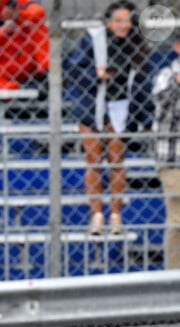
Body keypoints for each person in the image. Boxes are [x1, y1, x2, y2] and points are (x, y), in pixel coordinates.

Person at [63, 2, 153, 235]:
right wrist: (97, 75)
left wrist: (145, 118)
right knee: (93, 160)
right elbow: (73, 68)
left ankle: (115, 214)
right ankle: (96, 214)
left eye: (127, 21)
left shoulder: (138, 44)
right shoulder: (93, 39)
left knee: (116, 160)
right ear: (108, 21)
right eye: (118, 20)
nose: (122, 25)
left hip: (121, 107)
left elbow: (143, 83)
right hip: (92, 105)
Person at [0, 0, 49, 91]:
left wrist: (19, 16)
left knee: (39, 27)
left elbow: (39, 13)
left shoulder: (19, 2)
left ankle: (49, 73)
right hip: (1, 65)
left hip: (27, 59)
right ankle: (14, 89)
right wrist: (3, 31)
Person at [152, 31, 180, 270]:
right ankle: (173, 274)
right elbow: (163, 100)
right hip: (174, 160)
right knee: (177, 220)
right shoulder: (166, 75)